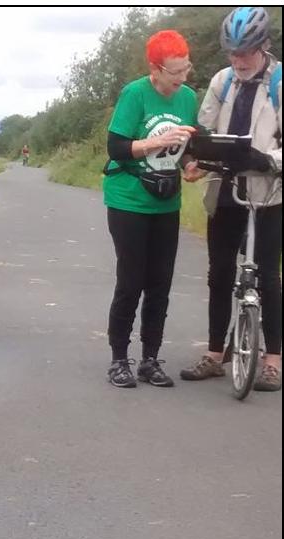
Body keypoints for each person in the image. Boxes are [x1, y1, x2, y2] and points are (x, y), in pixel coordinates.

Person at [179, 7, 283, 391]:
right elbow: (203, 128)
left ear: (264, 46)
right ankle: (213, 353)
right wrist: (194, 158)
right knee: (219, 272)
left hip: (268, 191)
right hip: (225, 188)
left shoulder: (281, 83)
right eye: (232, 53)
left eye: (246, 53)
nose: (238, 61)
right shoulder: (222, 82)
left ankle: (273, 360)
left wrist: (265, 159)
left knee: (269, 276)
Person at [102, 30, 200, 388]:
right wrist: (156, 141)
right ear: (155, 69)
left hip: (166, 199)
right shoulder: (135, 94)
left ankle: (150, 359)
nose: (181, 79)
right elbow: (116, 147)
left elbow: (190, 146)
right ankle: (118, 359)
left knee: (160, 283)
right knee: (131, 281)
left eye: (185, 69)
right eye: (174, 72)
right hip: (128, 198)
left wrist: (191, 165)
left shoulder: (188, 97)